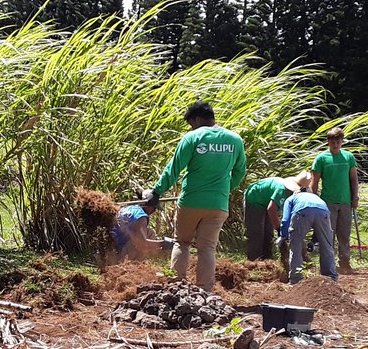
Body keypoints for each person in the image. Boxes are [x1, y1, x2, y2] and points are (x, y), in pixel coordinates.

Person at [144, 101, 246, 292]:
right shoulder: (235, 139)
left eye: (191, 123)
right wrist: (225, 190)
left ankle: (176, 287)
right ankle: (205, 292)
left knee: (182, 242)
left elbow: (174, 169)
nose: (191, 127)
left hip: (191, 201)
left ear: (197, 119)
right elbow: (240, 171)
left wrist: (157, 191)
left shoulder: (193, 137)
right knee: (207, 248)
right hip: (218, 204)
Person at [309, 127, 359, 274]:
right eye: (333, 142)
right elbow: (314, 181)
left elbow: (353, 179)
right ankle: (327, 264)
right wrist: (313, 200)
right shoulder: (321, 159)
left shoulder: (349, 157)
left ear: (342, 141)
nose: (335, 145)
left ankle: (344, 263)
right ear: (328, 142)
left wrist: (355, 197)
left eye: (338, 142)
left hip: (345, 202)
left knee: (344, 234)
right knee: (327, 234)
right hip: (327, 203)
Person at [242, 172, 313, 260]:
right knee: (256, 234)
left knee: (268, 234)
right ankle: (254, 261)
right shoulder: (282, 190)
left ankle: (267, 259)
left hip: (267, 201)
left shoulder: (293, 195)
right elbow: (271, 209)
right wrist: (279, 229)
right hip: (255, 198)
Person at [277, 191, 337, 284]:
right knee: (327, 246)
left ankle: (296, 280)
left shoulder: (290, 199)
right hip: (323, 212)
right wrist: (313, 241)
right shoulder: (317, 198)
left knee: (295, 247)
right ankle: (330, 278)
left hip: (301, 212)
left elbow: (285, 220)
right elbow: (317, 219)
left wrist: (283, 236)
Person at [107, 200, 172, 265]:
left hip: (110, 247)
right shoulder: (141, 217)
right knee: (145, 238)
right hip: (120, 251)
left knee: (149, 232)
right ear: (147, 205)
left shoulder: (130, 208)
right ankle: (133, 264)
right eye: (153, 207)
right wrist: (163, 243)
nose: (154, 211)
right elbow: (143, 243)